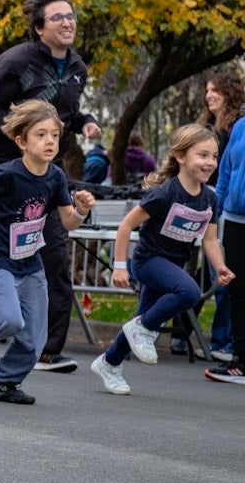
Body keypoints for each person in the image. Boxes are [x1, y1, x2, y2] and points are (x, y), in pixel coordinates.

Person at [0, 0, 101, 375]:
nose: (67, 23)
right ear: (39, 27)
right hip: (7, 174)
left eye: (71, 16)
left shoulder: (77, 68)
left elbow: (66, 114)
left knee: (51, 256)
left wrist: (85, 123)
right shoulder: (15, 62)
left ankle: (48, 350)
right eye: (58, 17)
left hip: (48, 178)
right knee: (4, 250)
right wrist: (21, 133)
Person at [0, 101, 95, 404]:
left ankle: (4, 381)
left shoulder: (55, 177)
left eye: (54, 135)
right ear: (21, 142)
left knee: (36, 338)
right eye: (40, 135)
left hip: (30, 263)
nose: (50, 141)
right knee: (9, 321)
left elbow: (67, 221)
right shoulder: (7, 174)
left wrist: (80, 211)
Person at [89, 125, 231, 395]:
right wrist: (120, 267)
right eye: (202, 155)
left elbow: (210, 240)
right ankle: (143, 329)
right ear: (181, 157)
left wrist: (220, 266)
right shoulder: (164, 193)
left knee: (141, 320)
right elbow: (125, 227)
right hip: (148, 260)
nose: (210, 162)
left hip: (173, 265)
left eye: (214, 156)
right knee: (189, 292)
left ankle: (109, 362)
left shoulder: (210, 198)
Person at [209, 101, 245, 385]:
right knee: (238, 290)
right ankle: (240, 360)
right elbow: (225, 174)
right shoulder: (240, 127)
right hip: (235, 220)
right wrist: (214, 214)